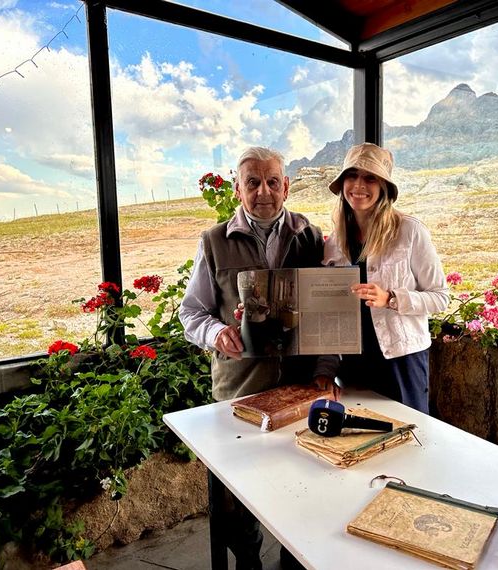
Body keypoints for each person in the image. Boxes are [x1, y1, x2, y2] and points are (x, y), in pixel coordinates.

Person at [179, 146, 335, 570]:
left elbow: (327, 311)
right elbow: (191, 312)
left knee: (300, 486)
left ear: (286, 186)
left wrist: (325, 369)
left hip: (298, 391)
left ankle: (292, 562)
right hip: (240, 391)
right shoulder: (213, 242)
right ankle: (248, 561)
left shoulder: (310, 236)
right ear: (237, 189)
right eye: (253, 182)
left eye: (272, 182)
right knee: (236, 498)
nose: (263, 191)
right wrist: (217, 332)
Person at [324, 142, 449, 414]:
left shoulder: (410, 231)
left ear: (384, 187)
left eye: (370, 177)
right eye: (352, 175)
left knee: (408, 432)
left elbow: (440, 297)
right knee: (359, 432)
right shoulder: (334, 242)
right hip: (353, 364)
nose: (359, 185)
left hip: (401, 361)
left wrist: (391, 298)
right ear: (342, 183)